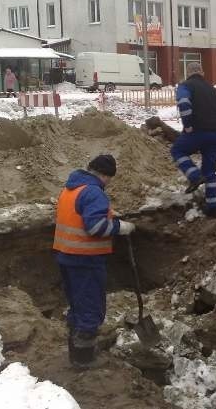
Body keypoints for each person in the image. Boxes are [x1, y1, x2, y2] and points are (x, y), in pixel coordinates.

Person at [53, 155, 136, 368]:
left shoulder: (72, 187)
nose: (107, 182)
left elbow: (78, 214)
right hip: (85, 260)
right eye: (109, 178)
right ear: (104, 174)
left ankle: (76, 351)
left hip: (66, 256)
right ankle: (83, 360)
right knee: (91, 308)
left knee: (78, 306)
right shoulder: (94, 192)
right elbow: (94, 227)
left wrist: (108, 213)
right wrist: (120, 227)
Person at [171, 62, 216, 217]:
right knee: (210, 171)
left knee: (178, 150)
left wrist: (187, 125)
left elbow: (184, 104)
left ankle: (194, 176)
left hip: (197, 131)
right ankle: (214, 208)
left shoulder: (185, 86)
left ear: (188, 73)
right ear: (202, 72)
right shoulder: (213, 89)